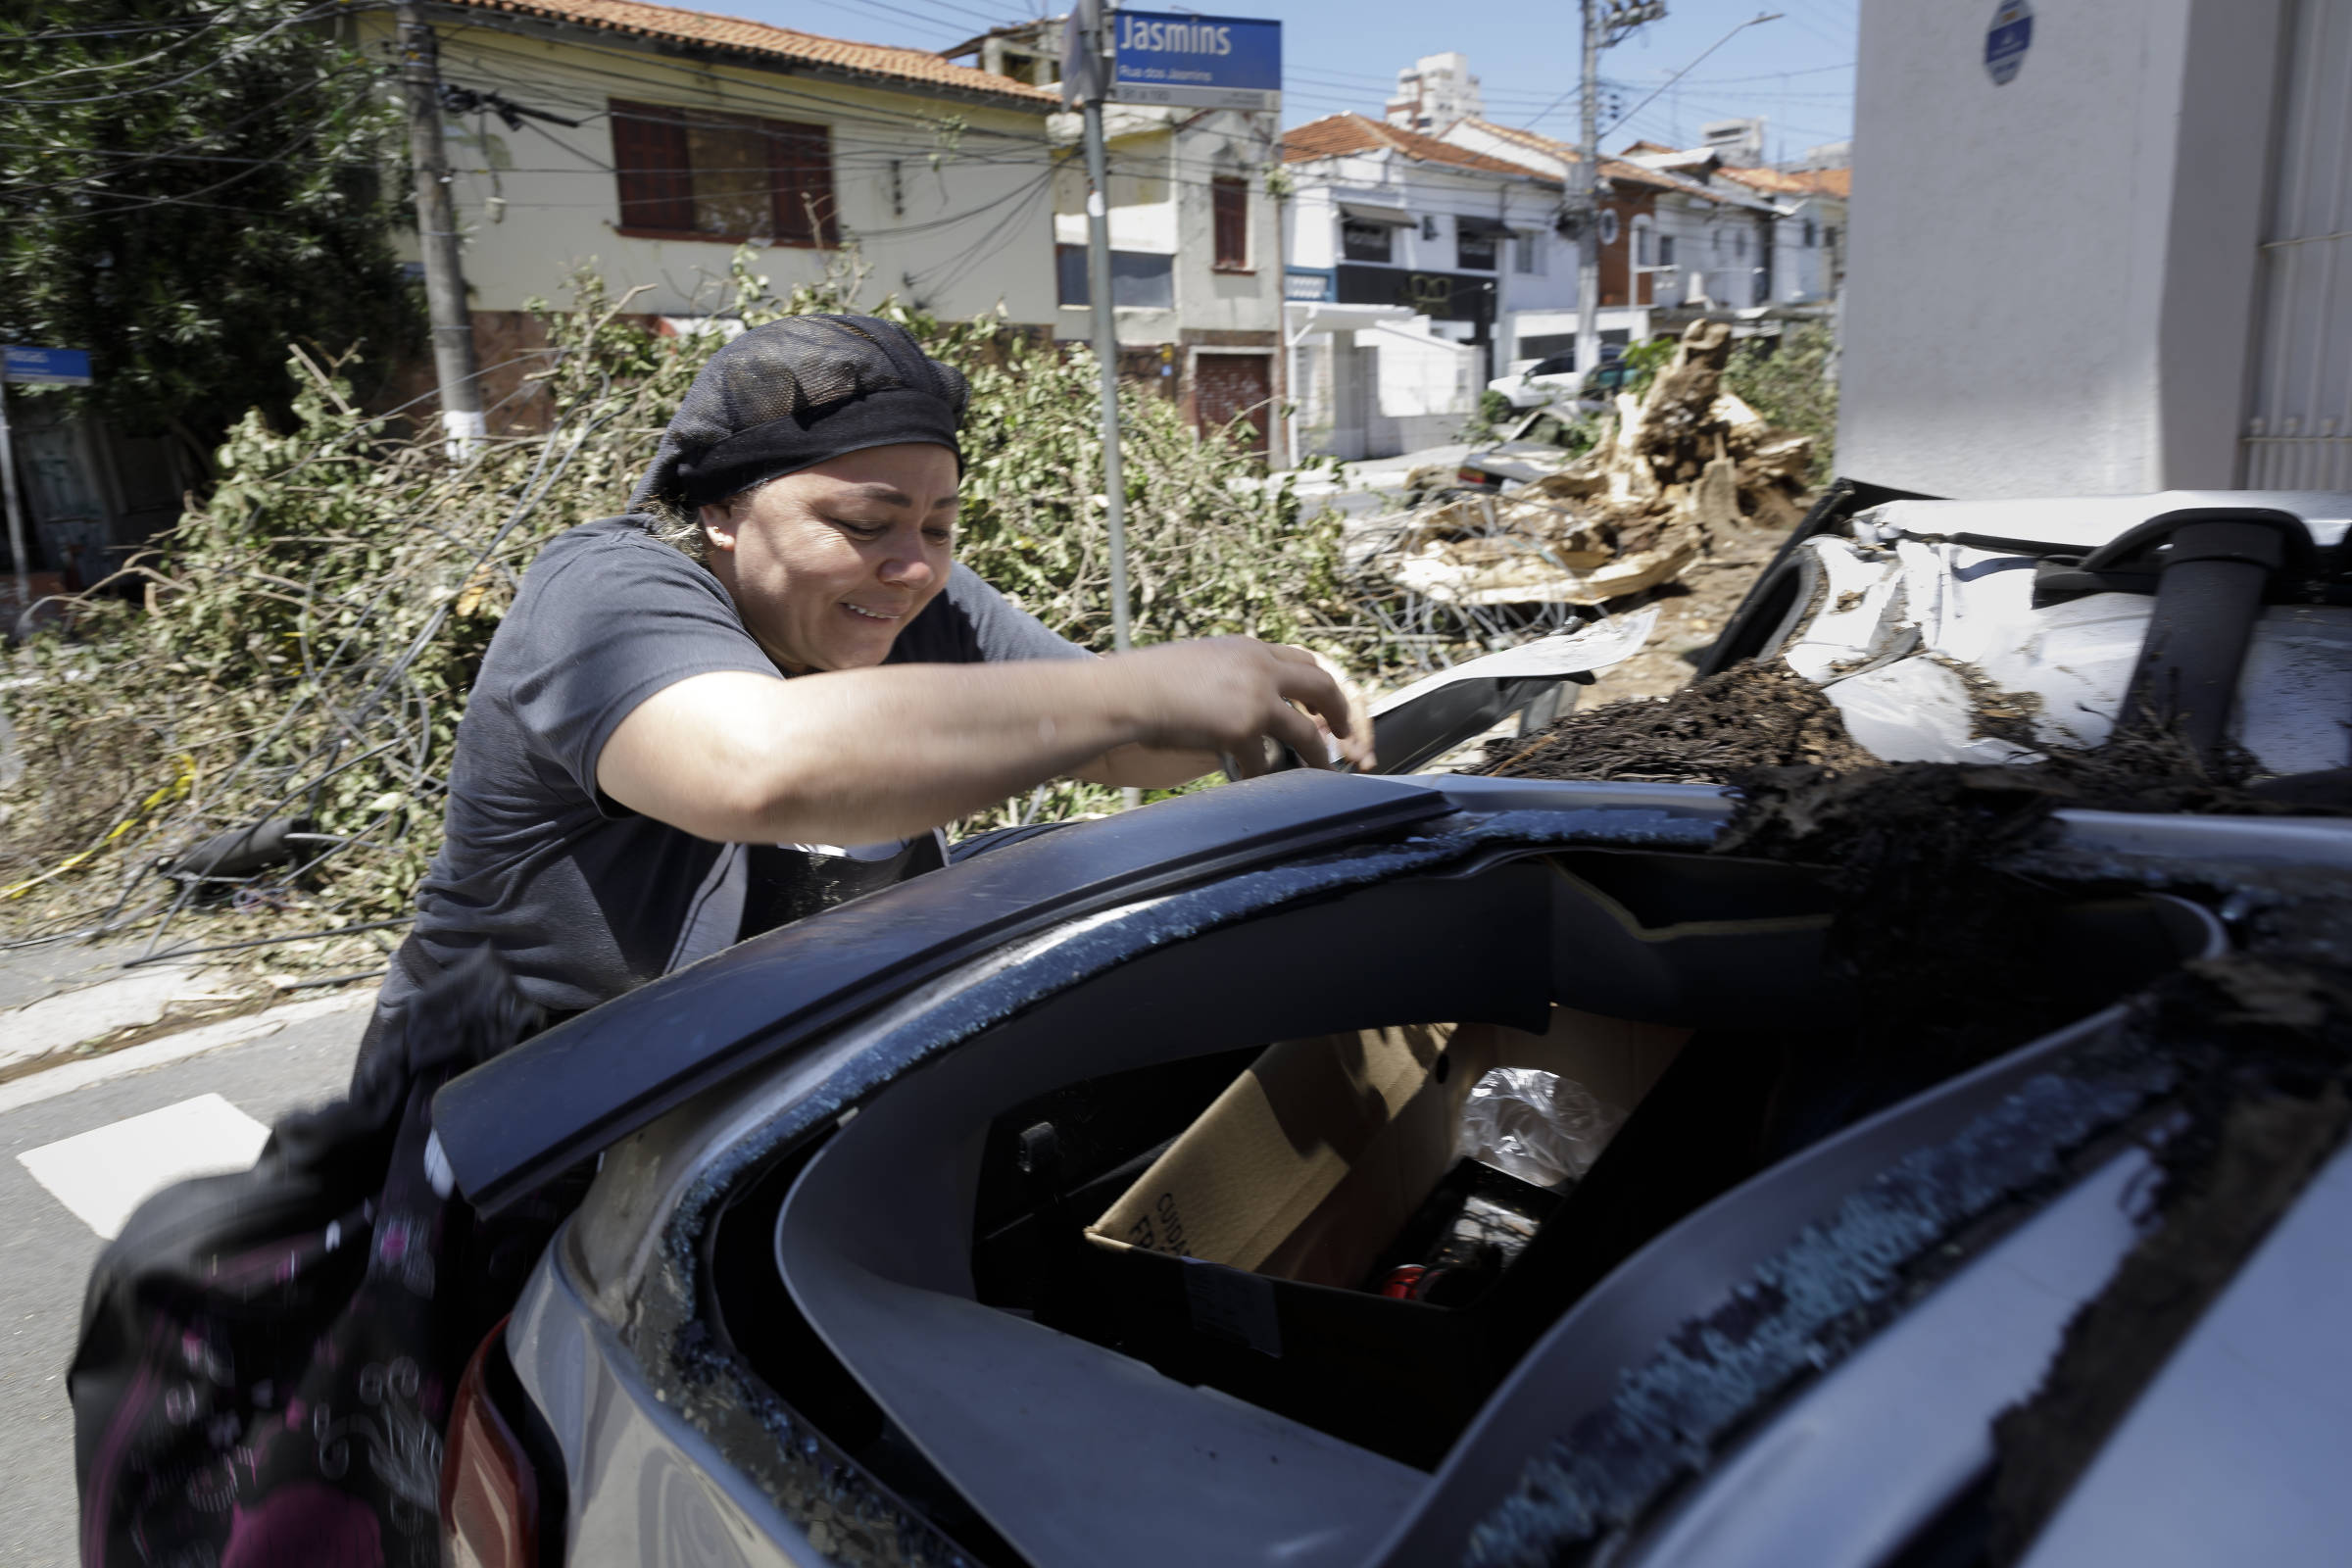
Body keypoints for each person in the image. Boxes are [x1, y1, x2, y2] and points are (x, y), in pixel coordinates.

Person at [357, 314, 1370, 1065]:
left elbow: (1114, 745)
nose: (912, 567)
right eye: (863, 523)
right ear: (721, 511)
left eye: (937, 525)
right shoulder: (604, 590)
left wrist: (1274, 695)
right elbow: (757, 766)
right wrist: (1141, 688)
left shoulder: (917, 599)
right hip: (514, 1145)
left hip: (741, 1118)